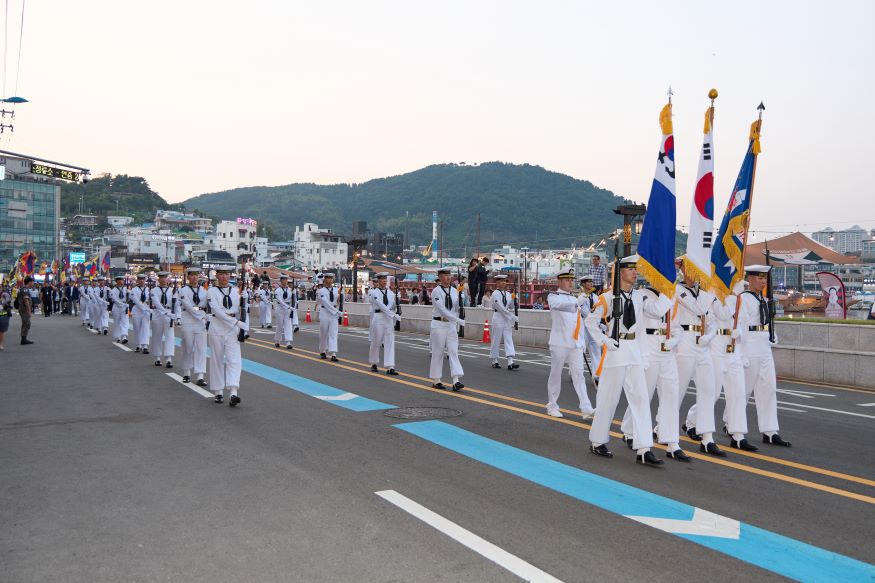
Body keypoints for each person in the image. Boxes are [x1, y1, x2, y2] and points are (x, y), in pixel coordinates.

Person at [585, 256, 661, 465]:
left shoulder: (639, 297)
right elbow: (590, 322)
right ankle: (597, 441)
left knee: (641, 399)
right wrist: (604, 340)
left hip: (634, 350)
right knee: (608, 399)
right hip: (616, 350)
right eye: (630, 269)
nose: (635, 273)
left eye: (635, 269)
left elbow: (644, 326)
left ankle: (644, 448)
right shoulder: (607, 297)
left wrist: (644, 355)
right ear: (620, 273)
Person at [618, 285, 689, 461]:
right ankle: (629, 430)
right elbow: (655, 310)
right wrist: (669, 295)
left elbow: (677, 325)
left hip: (667, 350)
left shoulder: (670, 297)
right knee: (644, 395)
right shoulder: (642, 295)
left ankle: (672, 441)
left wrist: (675, 339)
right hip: (648, 347)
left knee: (671, 395)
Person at [674, 257, 725, 457]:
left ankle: (707, 438)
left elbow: (712, 319)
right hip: (684, 341)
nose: (694, 273)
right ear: (683, 270)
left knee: (708, 391)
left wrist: (710, 335)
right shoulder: (677, 290)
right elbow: (698, 308)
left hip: (702, 344)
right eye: (690, 268)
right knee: (677, 391)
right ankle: (663, 428)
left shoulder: (703, 293)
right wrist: (709, 292)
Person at [738, 265, 791, 447]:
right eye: (759, 278)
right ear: (750, 279)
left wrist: (771, 334)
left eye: (764, 278)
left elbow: (767, 321)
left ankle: (770, 431)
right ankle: (732, 425)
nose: (763, 281)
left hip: (764, 346)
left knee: (768, 389)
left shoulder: (765, 299)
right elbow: (741, 326)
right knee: (743, 391)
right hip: (750, 346)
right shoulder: (743, 299)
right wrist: (741, 352)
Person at [709, 284, 757, 451]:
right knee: (713, 393)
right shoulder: (713, 293)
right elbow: (722, 314)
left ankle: (738, 435)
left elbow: (743, 323)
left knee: (738, 393)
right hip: (716, 346)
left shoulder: (739, 299)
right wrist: (733, 296)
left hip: (733, 348)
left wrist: (740, 339)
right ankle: (692, 422)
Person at [545, 268, 594, 418]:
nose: (570, 282)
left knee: (579, 375)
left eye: (571, 280)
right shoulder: (553, 296)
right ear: (559, 282)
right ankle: (552, 406)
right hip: (559, 342)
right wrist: (577, 303)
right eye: (567, 280)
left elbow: (579, 321)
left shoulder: (574, 298)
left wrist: (582, 341)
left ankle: (586, 408)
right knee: (556, 374)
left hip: (575, 343)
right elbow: (559, 306)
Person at [206, 265, 248, 406]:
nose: (224, 277)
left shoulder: (235, 291)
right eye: (221, 274)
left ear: (230, 276)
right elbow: (217, 312)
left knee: (234, 360)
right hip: (217, 327)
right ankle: (218, 391)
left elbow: (241, 311)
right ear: (217, 276)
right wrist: (236, 322)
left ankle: (233, 392)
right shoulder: (211, 291)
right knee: (217, 359)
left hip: (232, 330)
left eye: (227, 274)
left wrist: (245, 300)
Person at [429, 268, 465, 390]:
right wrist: (457, 320)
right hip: (439, 324)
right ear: (440, 277)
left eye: (449, 275)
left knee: (453, 351)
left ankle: (456, 380)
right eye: (445, 275)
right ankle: (436, 380)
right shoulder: (436, 291)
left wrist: (461, 297)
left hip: (451, 325)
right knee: (438, 352)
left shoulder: (455, 291)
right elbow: (442, 310)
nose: (448, 277)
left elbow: (456, 308)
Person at [178, 267, 209, 386]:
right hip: (188, 319)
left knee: (201, 348)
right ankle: (186, 372)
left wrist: (204, 316)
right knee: (187, 347)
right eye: (192, 275)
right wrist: (201, 315)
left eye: (197, 275)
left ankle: (200, 375)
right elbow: (188, 306)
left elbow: (205, 305)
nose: (195, 277)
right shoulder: (183, 290)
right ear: (188, 277)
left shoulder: (204, 291)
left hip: (200, 322)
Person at [368, 272, 401, 375]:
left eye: (385, 279)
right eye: (382, 279)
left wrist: (397, 301)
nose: (384, 281)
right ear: (378, 280)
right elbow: (381, 306)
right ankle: (374, 362)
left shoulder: (391, 293)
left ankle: (390, 366)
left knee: (390, 342)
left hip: (388, 319)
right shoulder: (374, 293)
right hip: (379, 317)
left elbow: (392, 306)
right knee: (376, 341)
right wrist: (393, 315)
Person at [489, 275, 520, 370]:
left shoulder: (508, 294)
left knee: (508, 338)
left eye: (505, 281)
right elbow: (500, 307)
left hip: (506, 318)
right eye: (501, 281)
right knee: (496, 339)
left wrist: (514, 298)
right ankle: (494, 360)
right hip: (498, 317)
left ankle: (510, 361)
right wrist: (512, 316)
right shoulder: (495, 293)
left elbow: (511, 306)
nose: (504, 283)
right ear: (497, 282)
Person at [149, 271, 178, 368]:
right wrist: (167, 313)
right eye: (161, 277)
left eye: (165, 277)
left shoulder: (173, 291)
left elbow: (176, 304)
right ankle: (157, 357)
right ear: (158, 279)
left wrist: (177, 316)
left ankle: (169, 358)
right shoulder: (154, 290)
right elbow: (156, 303)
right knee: (157, 336)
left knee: (170, 336)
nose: (163, 279)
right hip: (158, 314)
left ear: (167, 279)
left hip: (169, 314)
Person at [577, 274, 602, 383]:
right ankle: (575, 372)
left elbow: (599, 311)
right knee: (581, 349)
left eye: (592, 282)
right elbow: (581, 308)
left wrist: (598, 323)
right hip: (583, 326)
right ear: (583, 284)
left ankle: (597, 374)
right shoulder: (581, 297)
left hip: (593, 326)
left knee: (596, 349)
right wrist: (585, 295)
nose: (591, 284)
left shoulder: (595, 297)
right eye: (588, 282)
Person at [317, 272, 341, 361]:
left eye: (331, 278)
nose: (330, 280)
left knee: (333, 333)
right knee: (324, 333)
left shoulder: (336, 290)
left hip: (333, 313)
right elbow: (325, 303)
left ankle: (333, 353)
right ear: (325, 280)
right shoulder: (321, 291)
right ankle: (322, 351)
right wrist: (336, 311)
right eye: (328, 278)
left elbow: (338, 302)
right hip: (325, 312)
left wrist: (340, 297)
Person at [130, 274, 153, 353]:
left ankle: (145, 346)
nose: (141, 280)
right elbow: (136, 300)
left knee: (145, 328)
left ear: (145, 280)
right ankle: (138, 344)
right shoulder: (134, 290)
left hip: (146, 310)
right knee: (137, 328)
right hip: (137, 310)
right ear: (137, 280)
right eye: (140, 279)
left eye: (143, 279)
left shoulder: (149, 289)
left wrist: (150, 308)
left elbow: (151, 300)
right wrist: (145, 308)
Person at [274, 275, 296, 349]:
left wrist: (293, 307)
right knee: (280, 325)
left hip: (288, 308)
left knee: (288, 325)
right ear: (281, 281)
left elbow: (294, 299)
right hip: (280, 308)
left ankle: (288, 342)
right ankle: (277, 340)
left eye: (286, 279)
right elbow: (280, 300)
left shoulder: (290, 290)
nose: (285, 281)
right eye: (284, 279)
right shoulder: (278, 290)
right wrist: (288, 307)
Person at [110, 275, 130, 344]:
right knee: (117, 322)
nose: (121, 281)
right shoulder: (113, 290)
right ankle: (118, 336)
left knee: (125, 322)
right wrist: (122, 304)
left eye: (122, 280)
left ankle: (124, 336)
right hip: (117, 307)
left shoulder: (126, 289)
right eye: (119, 280)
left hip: (125, 307)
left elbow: (130, 298)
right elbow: (115, 300)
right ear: (116, 281)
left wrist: (129, 297)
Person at [18, 277, 35, 345]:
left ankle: (24, 339)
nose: (33, 283)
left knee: (26, 323)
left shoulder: (25, 289)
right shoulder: (25, 289)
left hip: (23, 309)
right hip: (24, 309)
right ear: (29, 282)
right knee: (26, 323)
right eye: (32, 282)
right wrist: (29, 310)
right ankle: (23, 340)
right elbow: (26, 300)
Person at [0, 285, 12, 350]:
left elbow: (7, 303)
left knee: (2, 330)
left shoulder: (5, 295)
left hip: (3, 314)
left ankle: (0, 344)